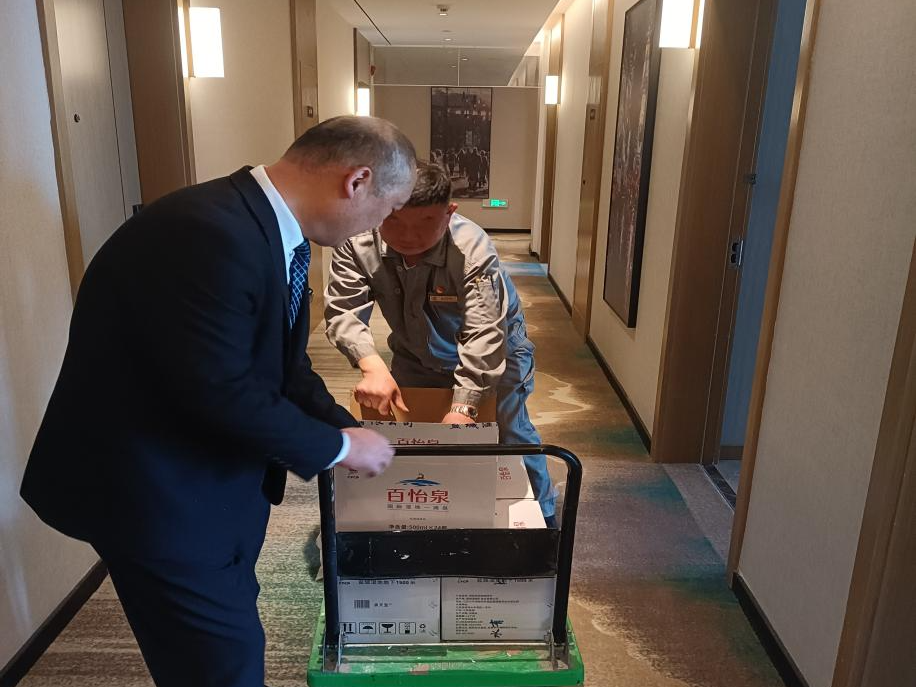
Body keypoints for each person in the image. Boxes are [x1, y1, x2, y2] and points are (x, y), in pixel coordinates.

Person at [20, 116, 417, 687]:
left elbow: (282, 367)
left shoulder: (259, 226)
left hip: (210, 487)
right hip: (157, 494)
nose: (379, 227)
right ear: (357, 181)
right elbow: (216, 390)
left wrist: (349, 430)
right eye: (387, 210)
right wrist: (335, 447)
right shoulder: (207, 233)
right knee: (221, 665)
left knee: (223, 645)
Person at [324, 162, 556, 525]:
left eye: (426, 222)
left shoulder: (471, 249)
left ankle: (545, 520)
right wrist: (372, 366)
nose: (408, 236)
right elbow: (343, 310)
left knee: (510, 433)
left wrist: (464, 407)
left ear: (449, 213)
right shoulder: (356, 240)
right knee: (407, 431)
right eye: (394, 220)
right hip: (415, 352)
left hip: (497, 351)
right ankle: (421, 514)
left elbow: (483, 333)